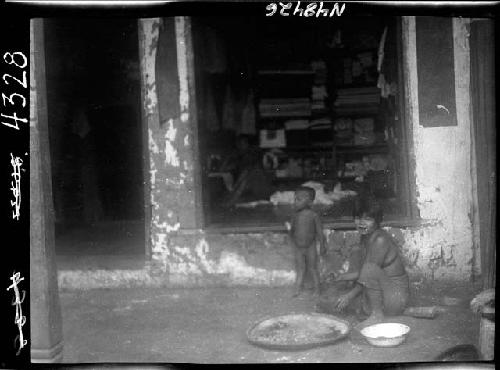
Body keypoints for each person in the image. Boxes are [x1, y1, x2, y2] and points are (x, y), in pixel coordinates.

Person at [332, 199, 410, 328]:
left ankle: (377, 315)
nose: (361, 222)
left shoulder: (380, 239)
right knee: (333, 302)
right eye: (358, 218)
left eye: (368, 219)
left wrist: (349, 296)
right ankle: (374, 310)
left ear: (377, 221)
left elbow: (368, 272)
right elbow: (363, 273)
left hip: (397, 297)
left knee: (367, 271)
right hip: (385, 292)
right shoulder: (366, 237)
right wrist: (341, 277)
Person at [287, 186, 326, 298]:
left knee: (313, 269)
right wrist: (289, 232)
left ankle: (317, 291)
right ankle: (297, 290)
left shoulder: (313, 215)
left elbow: (319, 232)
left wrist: (322, 245)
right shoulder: (295, 215)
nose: (295, 202)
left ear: (310, 201)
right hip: (298, 247)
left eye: (299, 199)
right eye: (295, 199)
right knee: (300, 269)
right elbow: (292, 230)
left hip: (310, 247)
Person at [219, 135, 272, 206]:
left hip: (255, 183)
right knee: (245, 175)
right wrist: (229, 157)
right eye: (239, 144)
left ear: (247, 144)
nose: (241, 146)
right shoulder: (237, 156)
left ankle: (231, 200)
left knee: (250, 172)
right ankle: (232, 198)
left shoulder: (253, 153)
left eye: (243, 143)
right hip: (243, 188)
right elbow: (223, 169)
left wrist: (235, 187)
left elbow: (253, 169)